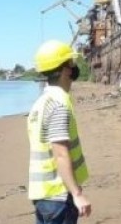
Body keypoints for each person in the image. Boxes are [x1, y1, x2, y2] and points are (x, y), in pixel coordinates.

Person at [27, 40, 92, 224]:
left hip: (42, 194)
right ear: (65, 70)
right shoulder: (58, 104)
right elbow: (60, 153)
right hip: (58, 195)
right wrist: (77, 194)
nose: (74, 67)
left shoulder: (41, 102)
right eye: (71, 63)